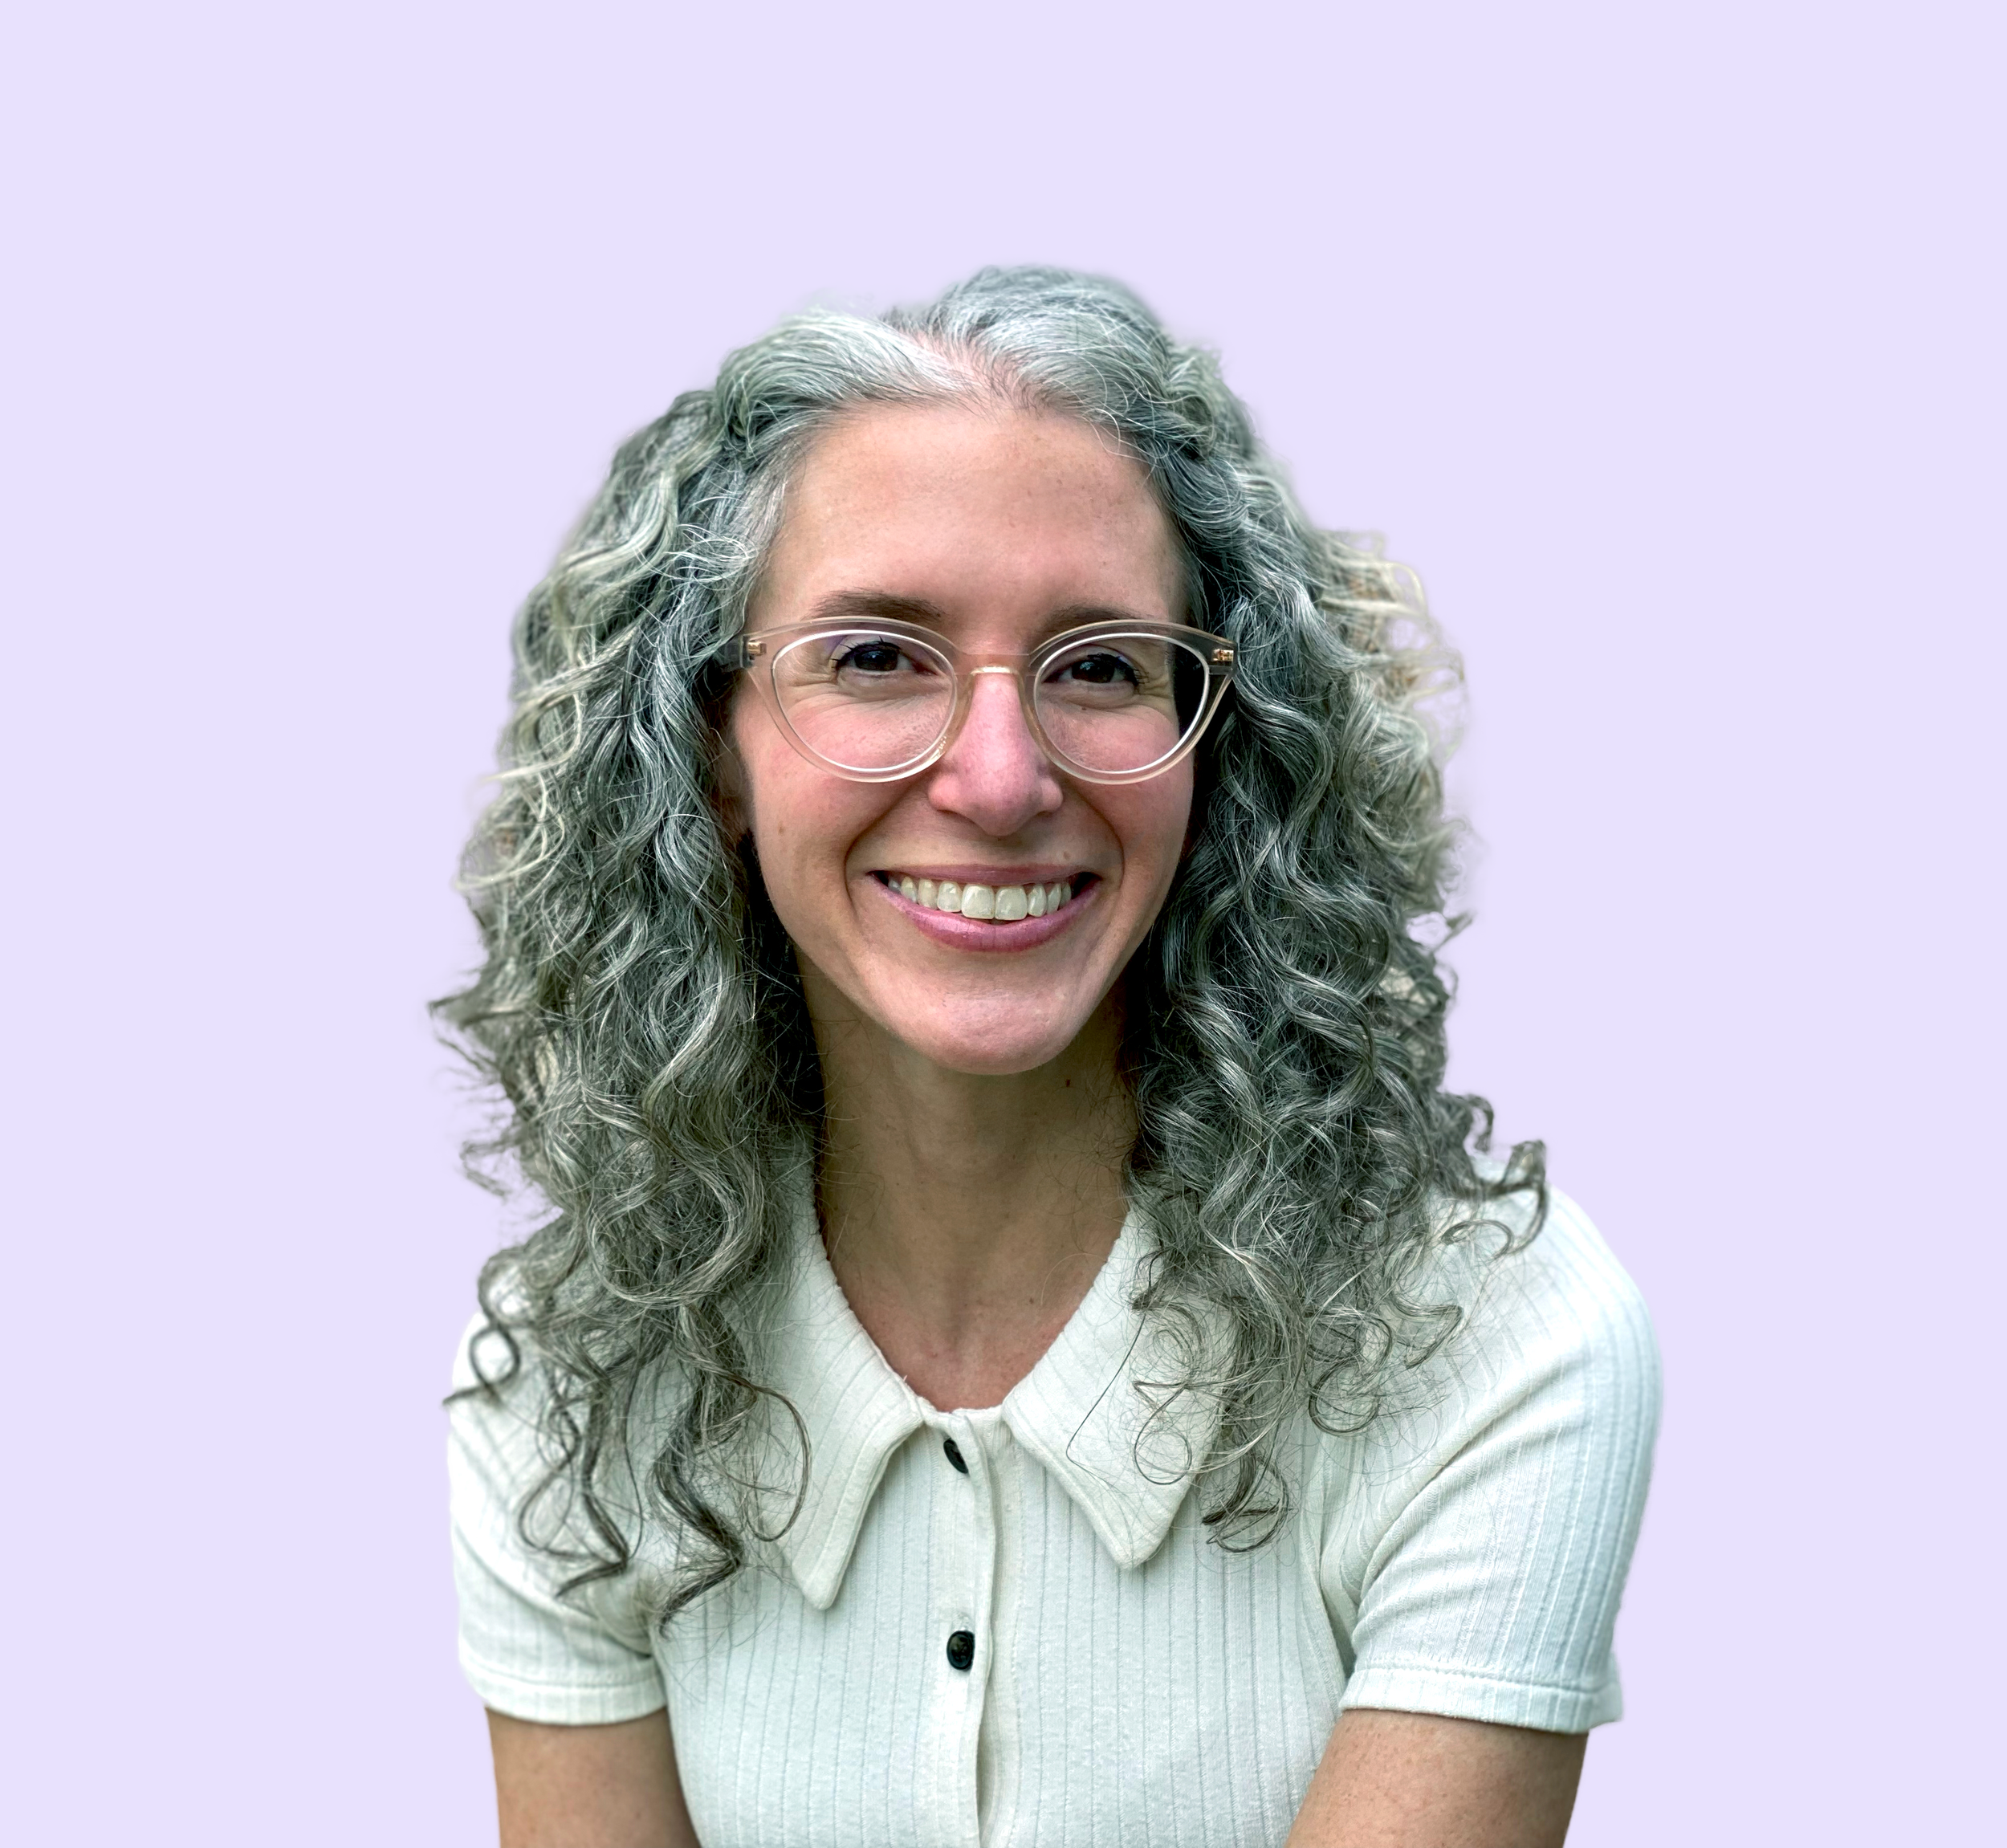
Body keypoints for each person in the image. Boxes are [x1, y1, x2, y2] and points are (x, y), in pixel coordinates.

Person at [440, 267, 1659, 1848]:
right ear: (708, 753)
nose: (1000, 778)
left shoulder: (1489, 1341)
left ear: (1218, 752)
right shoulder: (568, 1377)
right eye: (876, 656)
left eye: (1097, 664)